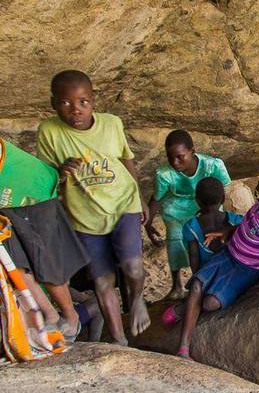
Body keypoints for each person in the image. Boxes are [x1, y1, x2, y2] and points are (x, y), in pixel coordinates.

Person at [36, 70, 150, 345]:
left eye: (83, 102)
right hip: (84, 216)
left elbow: (127, 159)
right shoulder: (49, 131)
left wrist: (142, 196)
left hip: (123, 202)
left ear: (93, 101)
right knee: (102, 282)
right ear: (54, 104)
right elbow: (45, 176)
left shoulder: (111, 124)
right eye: (66, 103)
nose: (76, 110)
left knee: (133, 266)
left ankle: (136, 299)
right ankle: (118, 340)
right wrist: (60, 171)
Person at [165, 173, 259, 360]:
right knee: (196, 284)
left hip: (247, 268)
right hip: (227, 254)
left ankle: (183, 308)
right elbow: (244, 226)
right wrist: (226, 231)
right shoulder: (257, 207)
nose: (258, 186)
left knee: (210, 303)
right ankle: (183, 348)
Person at [0, 137, 91, 343]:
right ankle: (49, 315)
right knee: (15, 265)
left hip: (32, 189)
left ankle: (71, 316)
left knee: (44, 260)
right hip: (8, 201)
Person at [144, 129, 231, 300]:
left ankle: (209, 278)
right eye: (170, 157)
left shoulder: (213, 165)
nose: (174, 162)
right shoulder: (164, 174)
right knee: (175, 240)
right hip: (176, 209)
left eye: (180, 156)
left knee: (211, 238)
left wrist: (225, 218)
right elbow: (156, 199)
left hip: (208, 206)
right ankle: (177, 285)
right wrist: (147, 224)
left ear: (192, 151)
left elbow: (223, 192)